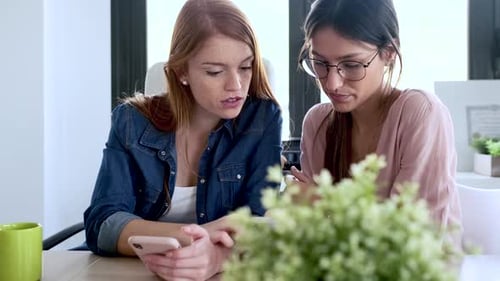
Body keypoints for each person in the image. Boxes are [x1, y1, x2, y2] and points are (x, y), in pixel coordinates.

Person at [83, 0, 282, 279]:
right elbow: (102, 224)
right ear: (181, 72)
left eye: (246, 67)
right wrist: (195, 235)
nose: (236, 85)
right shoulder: (131, 121)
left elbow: (261, 219)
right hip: (135, 272)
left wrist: (215, 254)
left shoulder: (262, 119)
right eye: (215, 71)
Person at [290, 0, 462, 245]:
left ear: (389, 53)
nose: (332, 83)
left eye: (351, 65)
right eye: (320, 63)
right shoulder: (318, 123)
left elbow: (411, 242)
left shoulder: (420, 113)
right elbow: (316, 238)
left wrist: (324, 204)